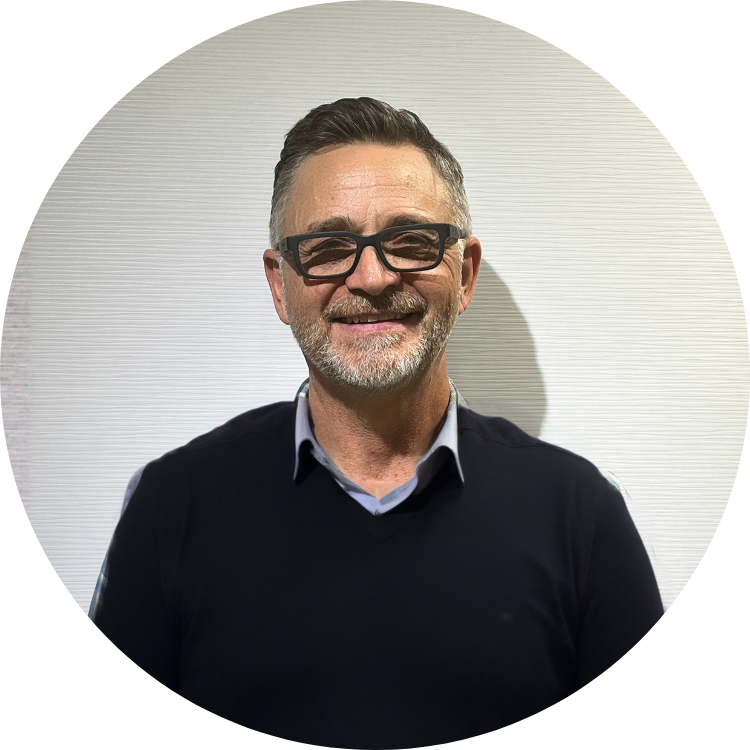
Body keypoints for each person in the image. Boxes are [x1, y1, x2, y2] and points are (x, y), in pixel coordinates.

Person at [90, 97, 663, 747]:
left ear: (465, 274)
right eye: (328, 247)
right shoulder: (171, 505)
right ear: (280, 285)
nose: (372, 277)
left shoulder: (582, 516)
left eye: (410, 242)